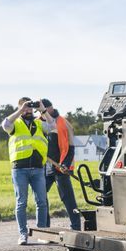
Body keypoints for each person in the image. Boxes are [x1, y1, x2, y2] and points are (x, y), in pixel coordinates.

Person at [2, 97, 49, 245]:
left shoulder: (39, 123)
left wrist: (43, 110)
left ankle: (42, 233)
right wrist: (20, 110)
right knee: (21, 203)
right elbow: (5, 124)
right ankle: (23, 234)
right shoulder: (15, 124)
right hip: (20, 169)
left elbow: (53, 126)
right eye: (25, 107)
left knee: (41, 202)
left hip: (38, 168)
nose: (28, 110)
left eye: (30, 107)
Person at [39, 98, 82, 231]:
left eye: (43, 109)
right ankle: (45, 227)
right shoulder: (38, 123)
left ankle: (76, 227)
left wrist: (65, 164)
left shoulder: (63, 123)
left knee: (68, 198)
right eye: (39, 110)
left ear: (50, 108)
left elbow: (71, 146)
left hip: (61, 166)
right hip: (46, 166)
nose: (41, 113)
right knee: (41, 197)